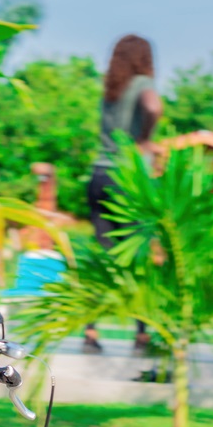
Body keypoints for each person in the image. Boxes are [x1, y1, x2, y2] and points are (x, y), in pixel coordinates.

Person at [84, 34, 162, 354]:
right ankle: (142, 334)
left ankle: (90, 332)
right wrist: (145, 139)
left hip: (99, 175)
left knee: (104, 258)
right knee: (137, 258)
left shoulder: (111, 89)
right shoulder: (142, 83)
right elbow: (153, 106)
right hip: (128, 179)